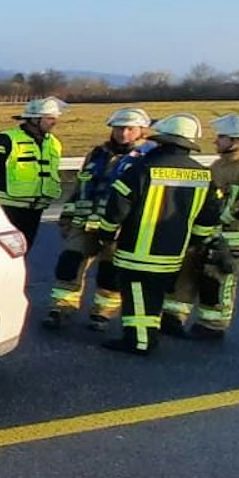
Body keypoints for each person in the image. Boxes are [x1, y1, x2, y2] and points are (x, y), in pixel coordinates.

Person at [84, 113, 220, 356]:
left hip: (137, 250)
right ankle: (148, 335)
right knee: (154, 297)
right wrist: (194, 242)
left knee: (136, 295)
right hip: (172, 254)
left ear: (162, 141)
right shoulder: (203, 175)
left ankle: (140, 341)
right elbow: (208, 217)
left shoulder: (142, 168)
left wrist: (106, 234)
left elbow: (118, 207)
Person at [164, 113, 239, 342]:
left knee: (216, 282)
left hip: (233, 240)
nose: (216, 141)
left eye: (222, 137)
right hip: (207, 234)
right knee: (186, 275)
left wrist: (219, 219)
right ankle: (173, 318)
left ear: (238, 140)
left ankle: (212, 326)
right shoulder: (220, 164)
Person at [44, 107, 151, 329]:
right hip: (85, 223)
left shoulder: (147, 158)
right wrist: (68, 216)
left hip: (120, 228)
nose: (123, 133)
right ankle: (62, 307)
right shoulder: (97, 153)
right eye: (118, 128)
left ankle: (103, 313)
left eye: (130, 129)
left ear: (142, 130)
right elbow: (81, 186)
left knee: (109, 273)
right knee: (69, 263)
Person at [0, 96, 66, 246]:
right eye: (50, 118)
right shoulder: (6, 139)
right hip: (8, 210)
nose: (54, 122)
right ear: (34, 119)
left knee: (24, 251)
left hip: (36, 210)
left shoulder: (53, 143)